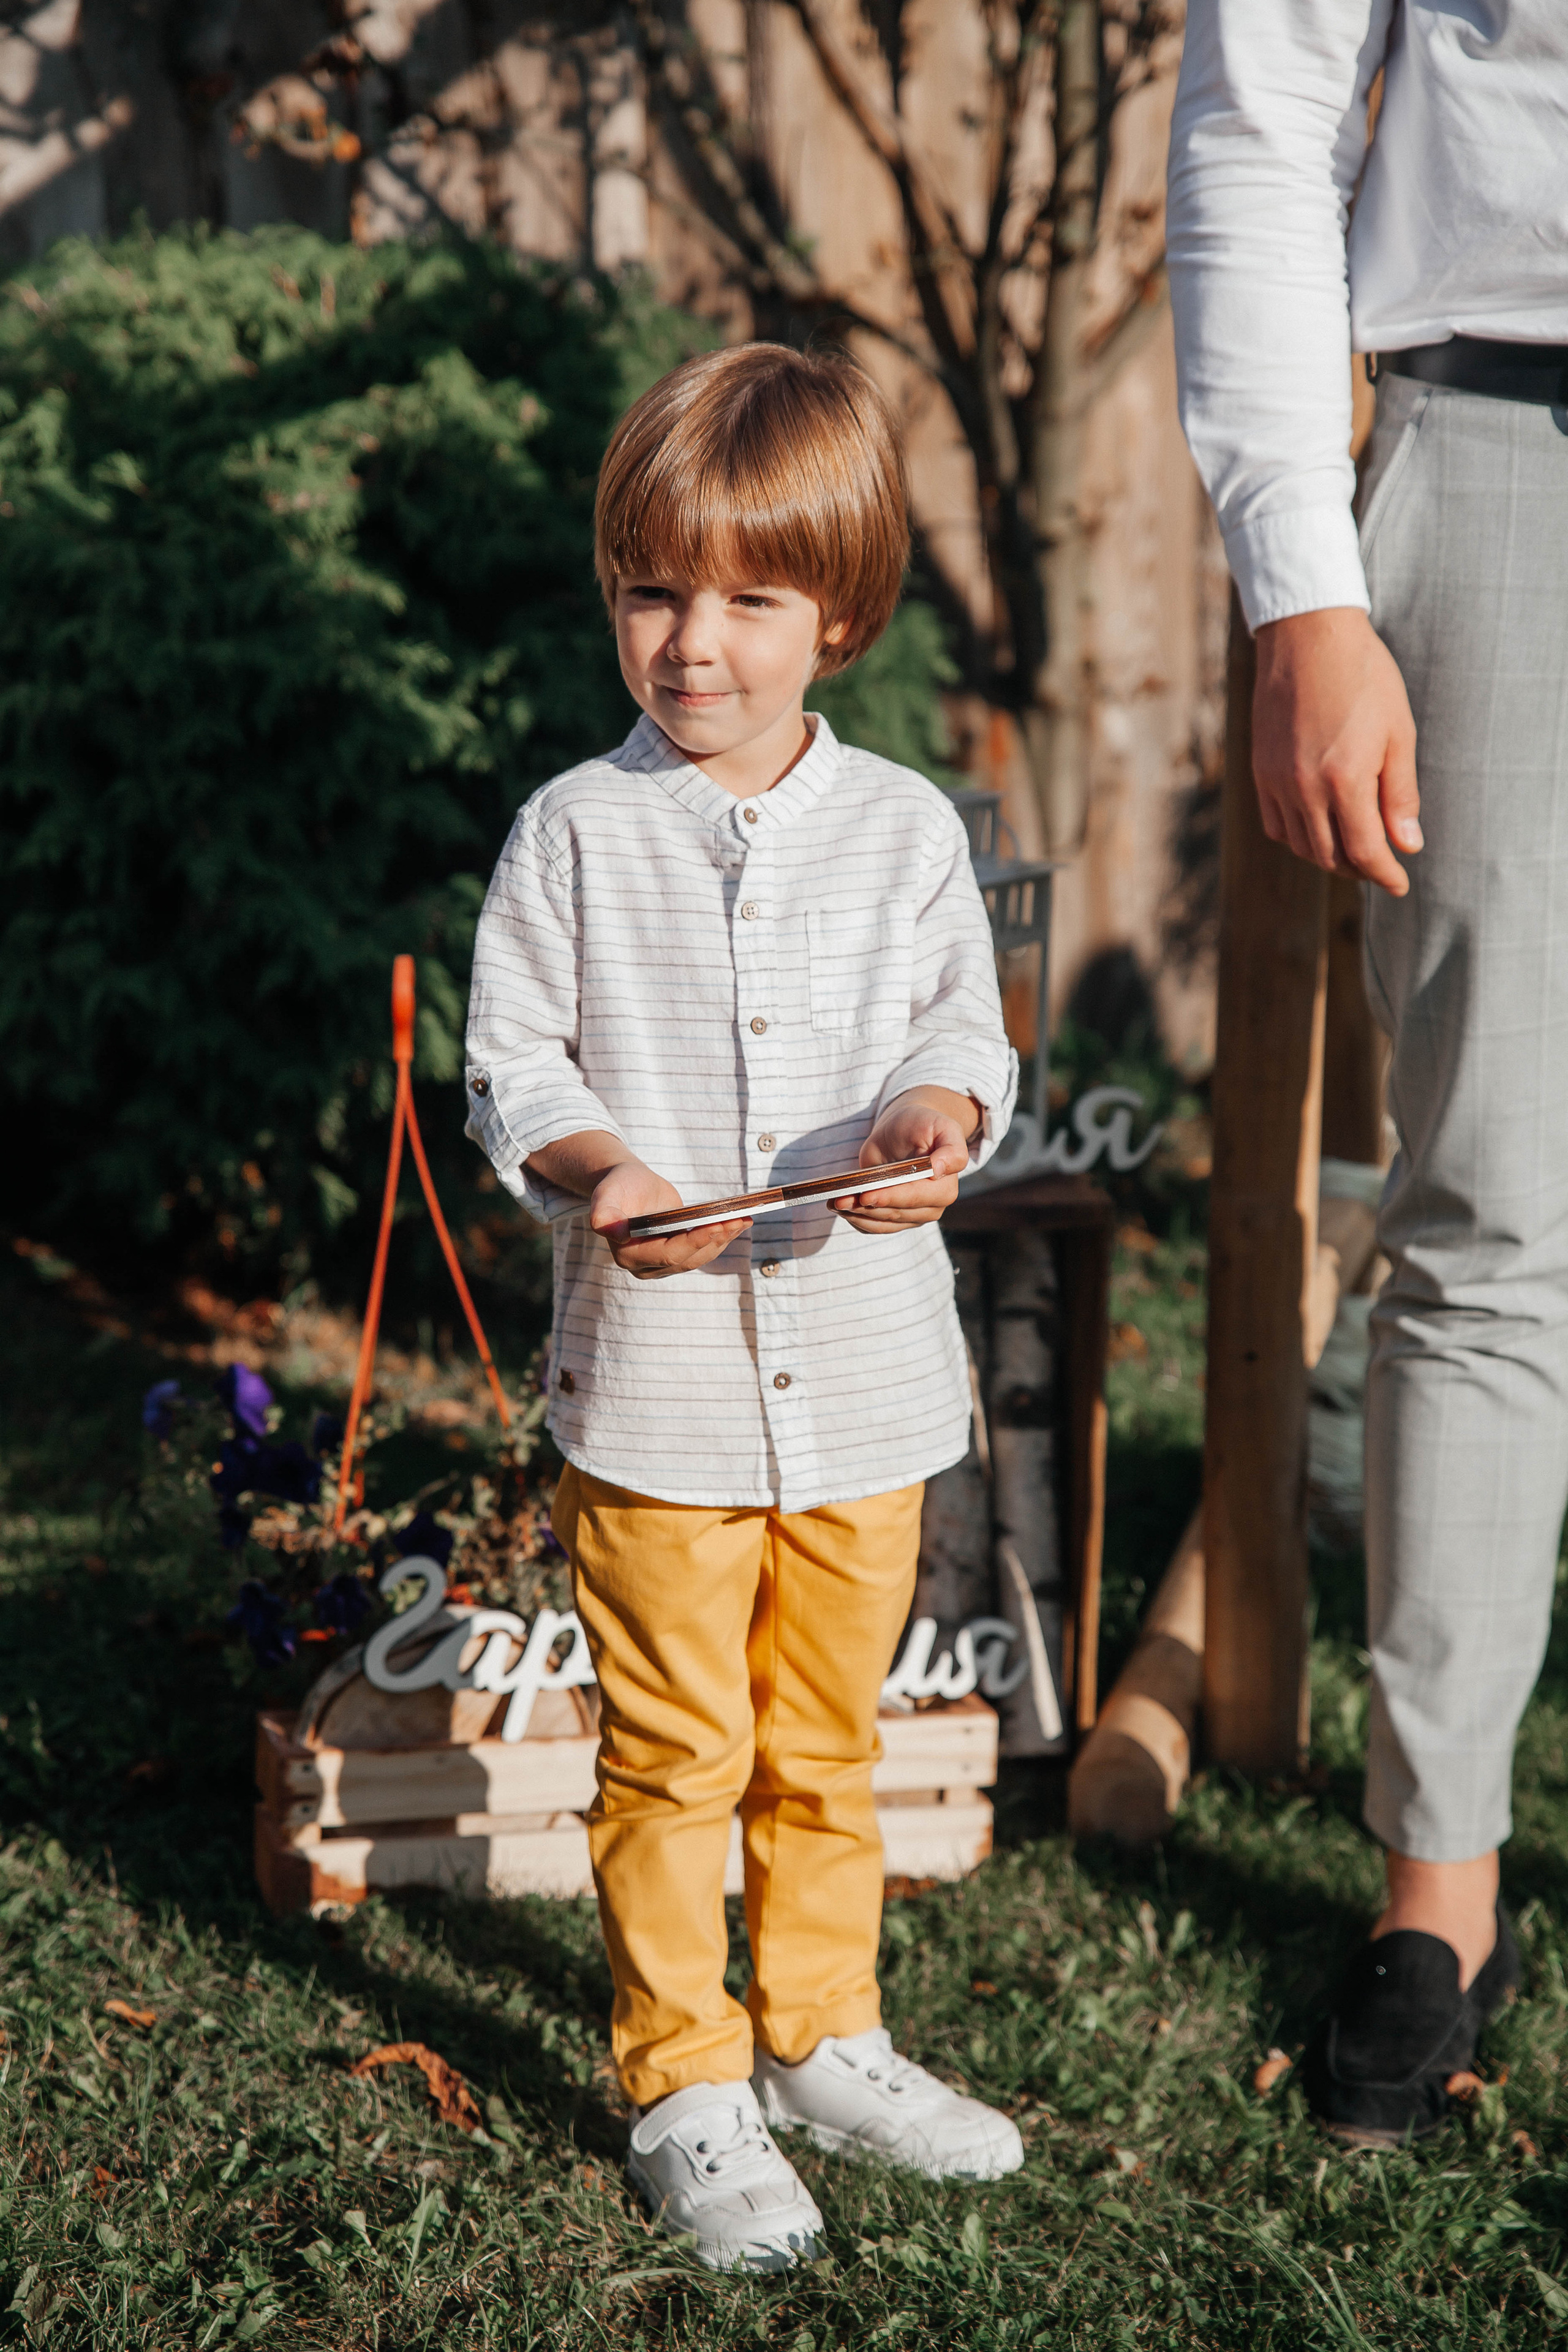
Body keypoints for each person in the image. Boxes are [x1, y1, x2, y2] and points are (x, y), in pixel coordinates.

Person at [464, 342, 1024, 2266]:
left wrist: (940, 1109)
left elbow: (963, 1030)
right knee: (675, 1749)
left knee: (828, 1743)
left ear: (839, 616)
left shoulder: (907, 834)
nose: (691, 642)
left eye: (747, 600)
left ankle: (822, 2031)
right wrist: (600, 1168)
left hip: (865, 1384)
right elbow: (511, 1064)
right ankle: (683, 2073)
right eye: (651, 591)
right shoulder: (572, 832)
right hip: (661, 1398)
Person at [1169, 4, 1568, 2144]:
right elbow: (1264, 112)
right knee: (1496, 1210)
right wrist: (1303, 585)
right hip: (1510, 444)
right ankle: (1443, 1889)